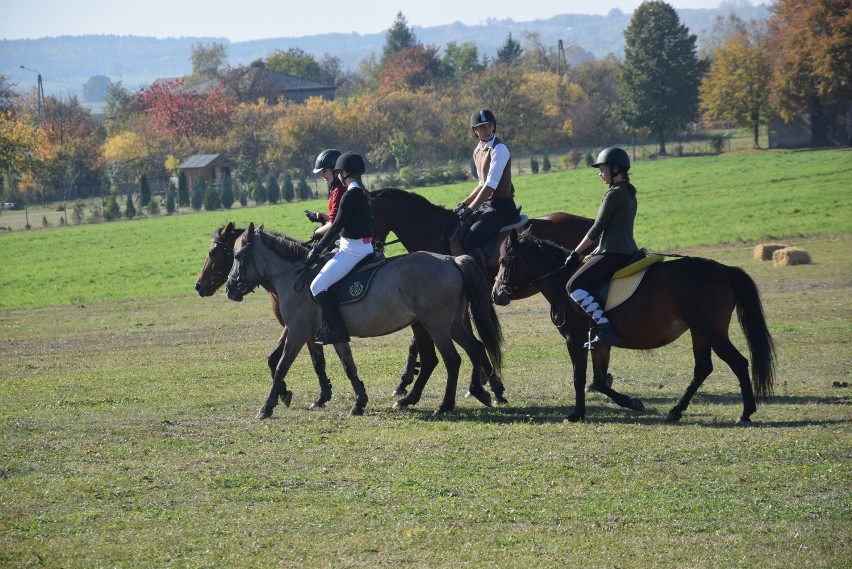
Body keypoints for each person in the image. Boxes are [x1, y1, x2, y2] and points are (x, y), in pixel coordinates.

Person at [566, 146, 639, 350]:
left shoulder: (614, 194)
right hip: (627, 250)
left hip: (613, 252)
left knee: (573, 286)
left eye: (602, 169)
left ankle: (605, 328)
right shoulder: (629, 192)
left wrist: (576, 253)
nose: (600, 174)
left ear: (615, 169)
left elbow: (597, 228)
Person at [306, 151, 374, 345]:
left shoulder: (350, 195)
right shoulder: (362, 191)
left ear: (345, 172)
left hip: (352, 251)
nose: (339, 176)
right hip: (362, 248)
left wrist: (316, 250)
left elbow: (336, 227)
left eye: (340, 172)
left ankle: (338, 331)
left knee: (317, 286)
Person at [454, 109, 517, 268]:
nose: (487, 130)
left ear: (493, 126)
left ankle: (483, 280)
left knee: (470, 240)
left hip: (501, 208)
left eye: (489, 126)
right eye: (482, 127)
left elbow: (490, 186)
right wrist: (464, 204)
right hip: (487, 206)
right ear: (475, 130)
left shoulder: (499, 149)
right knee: (459, 230)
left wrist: (470, 209)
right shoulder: (477, 151)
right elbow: (481, 184)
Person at [305, 148, 345, 241]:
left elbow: (334, 224)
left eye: (324, 171)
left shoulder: (340, 190)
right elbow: (339, 219)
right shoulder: (337, 189)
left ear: (335, 170)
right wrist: (325, 217)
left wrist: (317, 232)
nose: (322, 175)